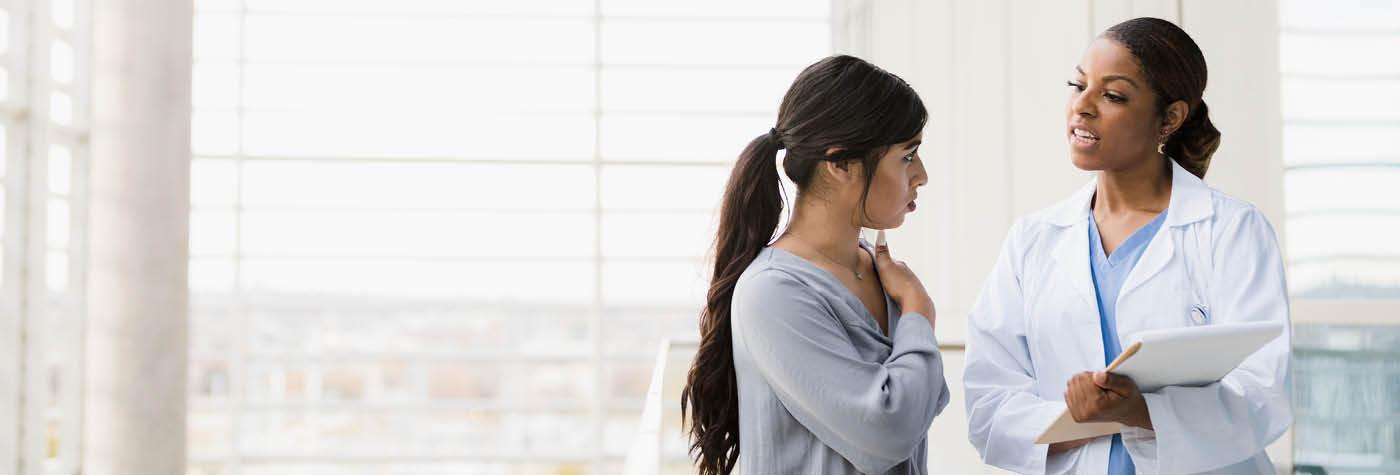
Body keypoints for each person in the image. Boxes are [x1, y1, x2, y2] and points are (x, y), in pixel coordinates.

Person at [962, 18, 1292, 474]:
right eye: (1078, 84)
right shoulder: (1033, 240)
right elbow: (988, 403)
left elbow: (1263, 392)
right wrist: (1091, 417)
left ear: (1171, 118)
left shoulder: (1231, 230)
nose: (1082, 106)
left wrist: (1137, 412)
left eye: (1112, 95)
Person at [680, 54, 949, 475]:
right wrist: (917, 313)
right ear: (841, 162)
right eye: (907, 156)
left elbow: (921, 403)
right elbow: (888, 432)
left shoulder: (879, 273)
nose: (922, 175)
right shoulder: (773, 292)